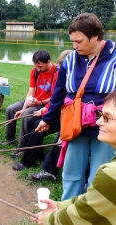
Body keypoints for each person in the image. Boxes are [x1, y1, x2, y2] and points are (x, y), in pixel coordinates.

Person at [36, 13, 115, 201]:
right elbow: (59, 94)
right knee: (71, 173)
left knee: (100, 174)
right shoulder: (71, 60)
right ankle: (67, 210)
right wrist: (48, 119)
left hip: (105, 126)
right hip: (75, 124)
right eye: (72, 41)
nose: (74, 46)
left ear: (95, 36)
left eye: (79, 41)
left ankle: (93, 212)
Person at [32, 89, 116, 225]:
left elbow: (85, 214)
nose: (98, 122)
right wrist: (60, 207)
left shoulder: (111, 173)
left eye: (107, 117)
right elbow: (93, 200)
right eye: (100, 114)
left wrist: (50, 219)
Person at [12, 50, 72, 173]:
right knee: (31, 122)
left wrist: (44, 111)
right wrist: (45, 110)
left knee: (36, 124)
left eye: (62, 67)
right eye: (60, 66)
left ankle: (28, 161)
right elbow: (57, 99)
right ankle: (36, 154)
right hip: (56, 112)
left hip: (67, 117)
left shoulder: (72, 80)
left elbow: (62, 100)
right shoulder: (63, 75)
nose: (60, 70)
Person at [0, 50, 57, 149]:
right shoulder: (34, 71)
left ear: (48, 61)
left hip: (45, 104)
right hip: (35, 101)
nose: (38, 69)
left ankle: (22, 148)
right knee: (11, 109)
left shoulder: (56, 72)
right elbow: (30, 92)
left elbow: (55, 97)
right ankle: (9, 140)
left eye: (40, 66)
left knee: (26, 114)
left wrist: (40, 102)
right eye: (36, 66)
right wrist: (23, 108)